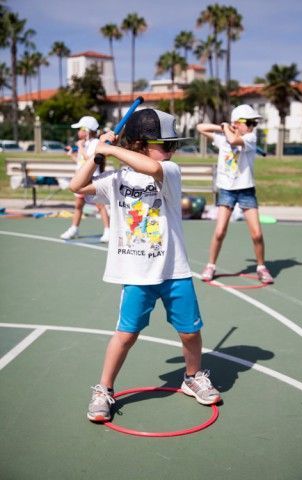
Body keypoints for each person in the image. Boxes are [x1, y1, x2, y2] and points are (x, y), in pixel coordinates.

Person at [69, 108, 221, 422]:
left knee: (190, 333)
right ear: (141, 142)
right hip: (136, 274)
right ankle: (104, 389)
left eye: (172, 146)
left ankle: (192, 377)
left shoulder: (169, 171)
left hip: (173, 270)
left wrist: (111, 148)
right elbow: (77, 186)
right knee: (126, 334)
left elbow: (151, 165)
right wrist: (96, 155)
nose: (172, 151)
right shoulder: (116, 179)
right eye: (167, 145)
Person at [197, 104, 274, 284]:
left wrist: (228, 130)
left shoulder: (250, 138)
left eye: (254, 123)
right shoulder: (222, 137)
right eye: (249, 123)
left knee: (257, 234)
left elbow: (233, 141)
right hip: (227, 191)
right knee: (219, 231)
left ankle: (261, 267)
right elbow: (200, 128)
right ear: (238, 123)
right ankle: (210, 265)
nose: (252, 126)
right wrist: (223, 126)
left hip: (246, 190)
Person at [60, 116, 110, 242]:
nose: (78, 132)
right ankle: (74, 228)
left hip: (93, 180)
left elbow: (92, 160)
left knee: (100, 206)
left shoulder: (94, 143)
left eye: (80, 129)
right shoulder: (86, 143)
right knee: (78, 205)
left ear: (87, 130)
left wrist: (81, 148)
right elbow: (81, 161)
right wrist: (72, 155)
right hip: (81, 181)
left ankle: (108, 230)